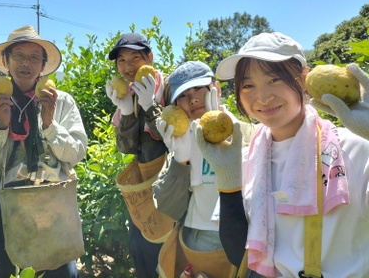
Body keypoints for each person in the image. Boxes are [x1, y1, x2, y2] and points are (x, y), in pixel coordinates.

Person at [193, 32, 369, 277]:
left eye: (274, 79)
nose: (262, 97)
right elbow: (238, 255)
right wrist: (228, 182)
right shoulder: (245, 160)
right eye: (248, 85)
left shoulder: (353, 149)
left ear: (304, 79)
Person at [0, 26, 87, 278]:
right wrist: (1, 127)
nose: (26, 63)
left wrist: (49, 124)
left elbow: (77, 153)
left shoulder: (62, 102)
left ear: (43, 65)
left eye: (34, 57)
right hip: (7, 210)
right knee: (10, 269)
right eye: (18, 56)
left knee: (61, 271)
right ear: (6, 61)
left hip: (54, 208)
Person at [152, 61, 256, 275]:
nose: (193, 99)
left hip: (246, 237)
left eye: (199, 88)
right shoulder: (179, 139)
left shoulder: (248, 132)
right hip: (198, 239)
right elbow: (167, 207)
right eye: (183, 95)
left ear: (216, 88)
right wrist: (180, 161)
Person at [105, 33, 170, 278]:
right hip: (144, 186)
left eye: (135, 58)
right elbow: (126, 147)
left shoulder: (170, 88)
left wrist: (151, 106)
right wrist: (126, 111)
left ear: (150, 58)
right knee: (143, 251)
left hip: (171, 187)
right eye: (121, 61)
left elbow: (172, 138)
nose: (128, 66)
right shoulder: (129, 94)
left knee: (168, 254)